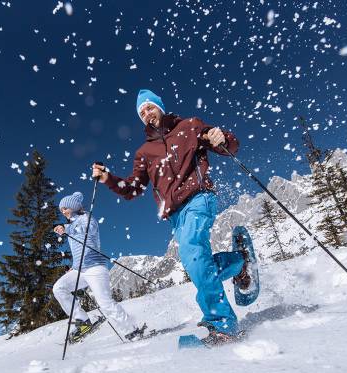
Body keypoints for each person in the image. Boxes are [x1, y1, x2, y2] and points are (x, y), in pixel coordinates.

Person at [91, 89, 250, 343]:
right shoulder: (144, 153)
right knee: (195, 264)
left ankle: (224, 325)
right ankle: (239, 262)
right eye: (141, 112)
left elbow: (230, 145)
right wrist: (108, 178)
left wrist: (220, 137)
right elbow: (132, 190)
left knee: (193, 252)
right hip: (176, 215)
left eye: (150, 108)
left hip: (200, 198)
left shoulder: (190, 126)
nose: (146, 114)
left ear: (160, 107)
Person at [53, 191, 140, 342]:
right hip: (80, 270)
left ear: (73, 207)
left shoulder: (86, 218)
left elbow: (89, 231)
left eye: (65, 208)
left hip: (95, 267)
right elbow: (79, 250)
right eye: (61, 210)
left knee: (105, 303)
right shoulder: (71, 225)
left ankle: (132, 330)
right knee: (59, 288)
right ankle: (82, 320)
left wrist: (66, 229)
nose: (63, 212)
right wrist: (74, 266)